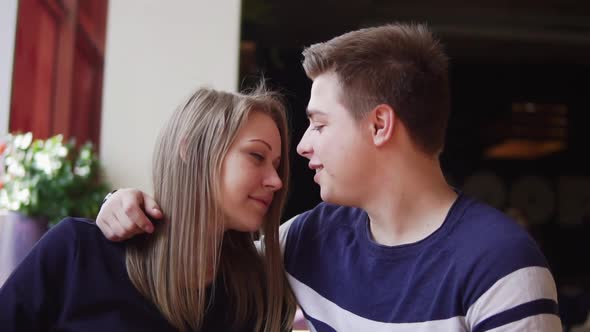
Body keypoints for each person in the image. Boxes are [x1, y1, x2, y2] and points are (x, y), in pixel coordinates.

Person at [97, 23, 561, 331]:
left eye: (319, 124)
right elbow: (193, 259)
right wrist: (129, 205)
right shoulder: (305, 239)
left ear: (380, 125)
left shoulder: (501, 266)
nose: (301, 147)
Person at [0, 86, 295, 331]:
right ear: (191, 150)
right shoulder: (78, 251)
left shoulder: (257, 295)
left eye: (277, 166)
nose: (275, 181)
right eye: (257, 156)